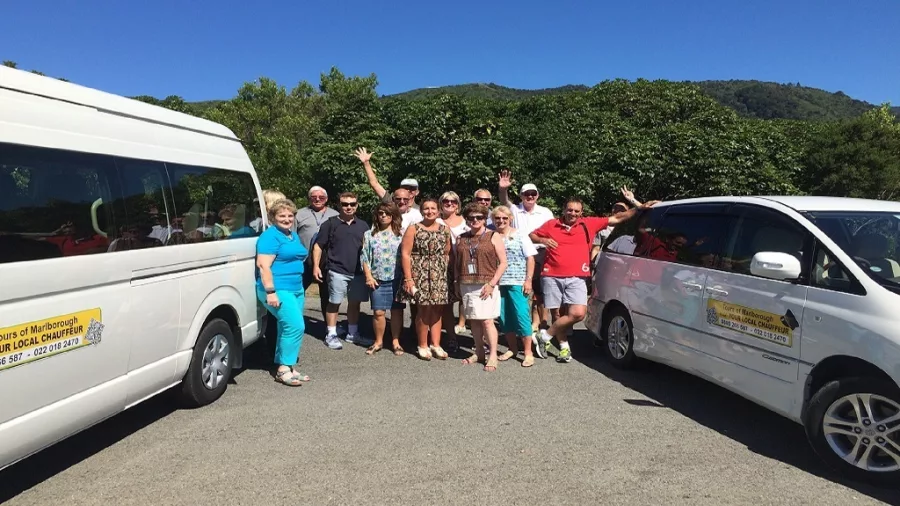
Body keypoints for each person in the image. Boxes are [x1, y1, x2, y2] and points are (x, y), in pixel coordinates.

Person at [531, 196, 659, 363]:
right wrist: (543, 240)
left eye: (576, 211)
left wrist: (640, 208)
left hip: (577, 276)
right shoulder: (551, 224)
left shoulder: (588, 223)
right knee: (557, 313)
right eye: (569, 210)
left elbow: (618, 218)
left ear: (581, 212)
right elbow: (532, 235)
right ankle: (564, 347)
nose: (572, 213)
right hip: (551, 275)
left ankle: (545, 336)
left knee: (578, 313)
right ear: (563, 210)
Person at [256, 199, 309, 387]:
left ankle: (287, 365)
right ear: (272, 218)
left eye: (290, 215)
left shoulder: (291, 235)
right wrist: (271, 292)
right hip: (278, 289)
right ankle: (283, 369)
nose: (287, 219)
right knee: (295, 326)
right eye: (282, 216)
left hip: (296, 288)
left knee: (285, 327)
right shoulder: (270, 236)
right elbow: (263, 265)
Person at [497, 170, 554, 341]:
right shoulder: (514, 210)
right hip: (519, 254)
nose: (530, 196)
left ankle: (541, 323)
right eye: (526, 194)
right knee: (523, 290)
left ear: (537, 195)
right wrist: (502, 189)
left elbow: (552, 233)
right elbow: (503, 201)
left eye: (533, 194)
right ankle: (523, 323)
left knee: (541, 291)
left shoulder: (545, 212)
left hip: (541, 252)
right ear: (521, 195)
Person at [312, 192, 371, 350]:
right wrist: (316, 266)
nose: (349, 207)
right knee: (334, 303)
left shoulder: (364, 225)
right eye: (345, 204)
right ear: (339, 205)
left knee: (354, 303)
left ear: (357, 205)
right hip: (337, 270)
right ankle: (331, 334)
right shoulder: (330, 224)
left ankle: (352, 333)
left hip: (358, 272)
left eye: (352, 204)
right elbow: (318, 246)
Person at [456, 203, 507, 372]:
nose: (475, 220)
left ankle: (492, 354)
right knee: (474, 320)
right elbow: (457, 263)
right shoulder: (461, 238)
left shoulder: (493, 236)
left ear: (485, 219)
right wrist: (456, 282)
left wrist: (492, 284)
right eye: (471, 217)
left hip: (487, 284)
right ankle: (479, 352)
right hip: (466, 283)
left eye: (479, 217)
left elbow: (503, 263)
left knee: (487, 320)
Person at [399, 197, 452, 361]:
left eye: (433, 208)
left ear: (438, 210)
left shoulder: (444, 229)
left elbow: (447, 252)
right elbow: (405, 254)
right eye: (426, 208)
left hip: (439, 273)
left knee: (437, 309)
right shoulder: (413, 228)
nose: (430, 211)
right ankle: (422, 344)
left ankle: (435, 344)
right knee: (423, 309)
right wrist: (408, 279)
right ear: (421, 211)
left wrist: (445, 273)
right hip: (419, 272)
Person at [491, 205, 538, 367]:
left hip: (517, 282)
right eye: (498, 218)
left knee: (521, 316)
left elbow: (530, 258)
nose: (501, 221)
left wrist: (528, 280)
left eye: (505, 218)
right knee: (504, 317)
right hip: (498, 283)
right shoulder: (491, 235)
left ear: (510, 218)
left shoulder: (520, 235)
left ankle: (528, 352)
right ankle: (512, 348)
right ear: (493, 220)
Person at [360, 202, 405, 357]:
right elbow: (364, 256)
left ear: (393, 215)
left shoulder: (401, 233)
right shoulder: (369, 234)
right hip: (377, 279)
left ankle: (396, 342)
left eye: (387, 213)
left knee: (397, 311)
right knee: (378, 312)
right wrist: (368, 276)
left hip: (397, 278)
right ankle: (378, 342)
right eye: (381, 213)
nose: (384, 216)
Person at [296, 186, 339, 316]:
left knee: (327, 295)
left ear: (326, 199)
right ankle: (296, 321)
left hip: (327, 260)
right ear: (309, 199)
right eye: (314, 197)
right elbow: (291, 235)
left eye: (321, 197)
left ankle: (329, 327)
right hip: (304, 260)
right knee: (298, 291)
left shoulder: (335, 215)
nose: (317, 200)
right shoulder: (298, 214)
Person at [437, 191, 469, 351]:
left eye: (453, 201)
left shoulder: (468, 221)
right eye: (446, 201)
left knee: (471, 303)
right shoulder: (435, 221)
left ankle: (479, 341)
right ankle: (451, 338)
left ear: (458, 204)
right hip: (445, 269)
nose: (450, 204)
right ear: (441, 204)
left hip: (467, 269)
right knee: (446, 306)